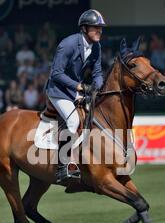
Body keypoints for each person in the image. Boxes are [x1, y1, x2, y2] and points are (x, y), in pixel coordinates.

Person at [45, 9, 106, 183]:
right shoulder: (68, 44)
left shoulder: (96, 47)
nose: (99, 31)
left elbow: (98, 73)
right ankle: (62, 166)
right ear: (84, 28)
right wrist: (79, 86)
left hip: (75, 91)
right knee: (73, 122)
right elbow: (56, 73)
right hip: (58, 91)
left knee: (93, 118)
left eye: (101, 28)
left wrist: (98, 88)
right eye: (96, 28)